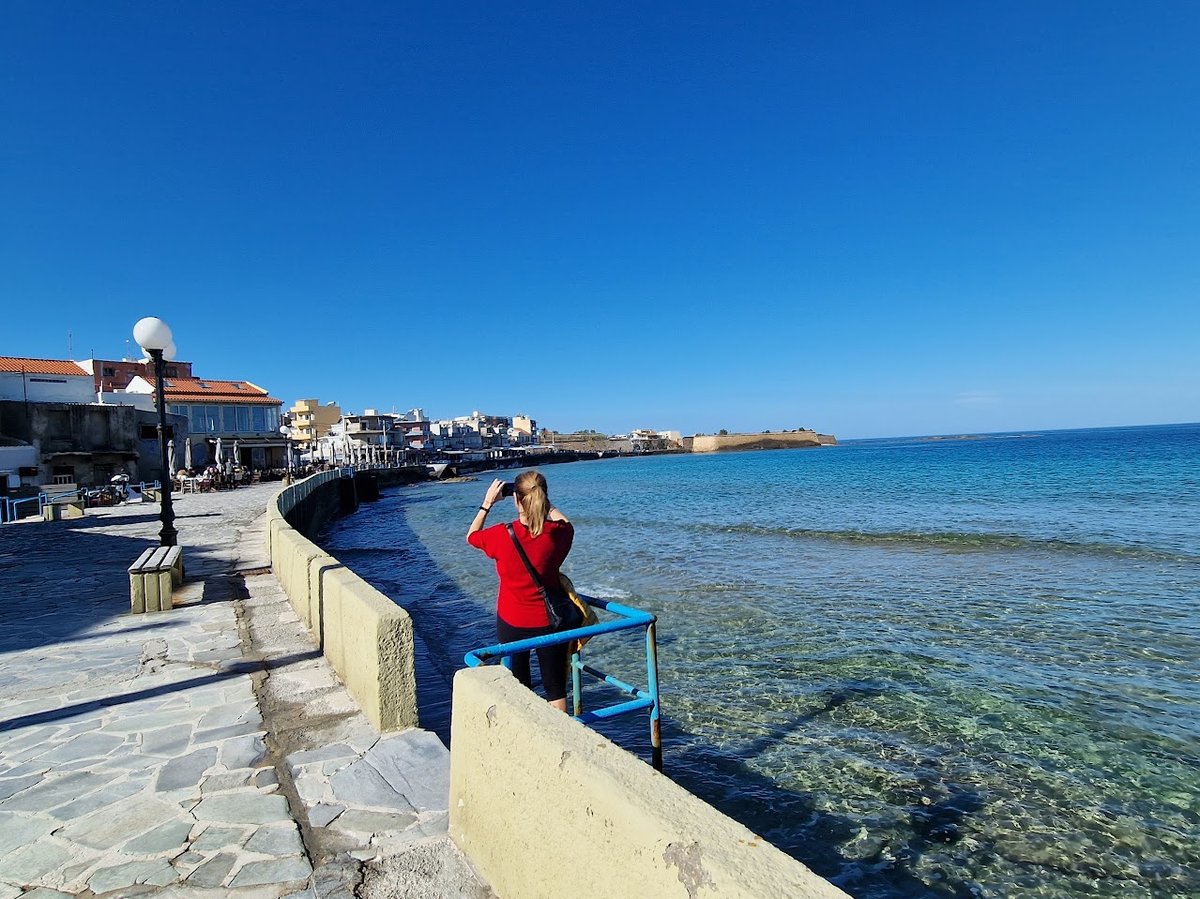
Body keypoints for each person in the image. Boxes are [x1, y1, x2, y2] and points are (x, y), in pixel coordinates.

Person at [467, 470, 574, 711]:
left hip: (512, 621)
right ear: (544, 498)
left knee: (518, 681)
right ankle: (561, 738)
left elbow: (471, 536)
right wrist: (546, 503)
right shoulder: (557, 534)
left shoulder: (499, 535)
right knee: (555, 686)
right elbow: (567, 524)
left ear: (516, 499)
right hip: (549, 621)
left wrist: (486, 504)